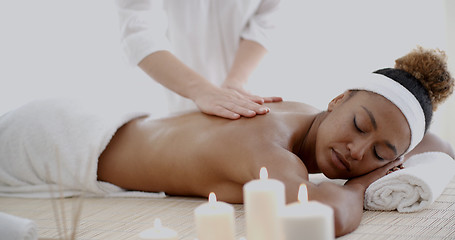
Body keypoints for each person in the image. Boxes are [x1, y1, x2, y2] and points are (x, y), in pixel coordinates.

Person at [0, 47, 453, 237]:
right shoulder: (270, 156)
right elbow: (327, 218)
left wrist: (400, 151)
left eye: (379, 153)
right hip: (56, 143)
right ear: (337, 100)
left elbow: (437, 143)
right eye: (359, 125)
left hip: (94, 118)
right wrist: (359, 185)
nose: (358, 151)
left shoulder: (298, 110)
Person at [116, 0, 283, 119]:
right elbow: (137, 30)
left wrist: (236, 81)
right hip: (174, 101)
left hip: (249, 94)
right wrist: (200, 90)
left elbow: (266, 21)